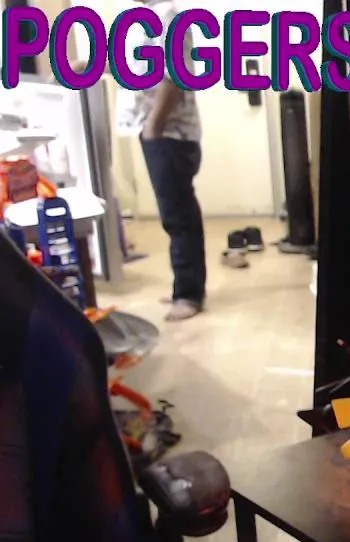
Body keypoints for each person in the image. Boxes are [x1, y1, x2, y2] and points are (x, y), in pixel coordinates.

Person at [114, 0, 206, 320]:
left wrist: (154, 126)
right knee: (176, 213)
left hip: (169, 133)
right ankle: (184, 286)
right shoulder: (146, 18)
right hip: (158, 131)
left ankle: (189, 294)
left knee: (178, 216)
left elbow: (173, 76)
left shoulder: (167, 17)